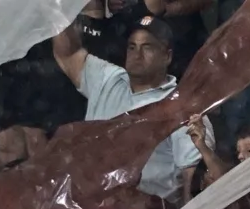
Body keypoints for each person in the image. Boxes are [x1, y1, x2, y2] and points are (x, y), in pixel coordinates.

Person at [50, 17, 199, 199]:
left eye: (147, 47)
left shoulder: (181, 107)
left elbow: (192, 179)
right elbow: (68, 53)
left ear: (167, 56)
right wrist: (59, 7)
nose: (138, 54)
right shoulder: (108, 78)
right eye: (132, 47)